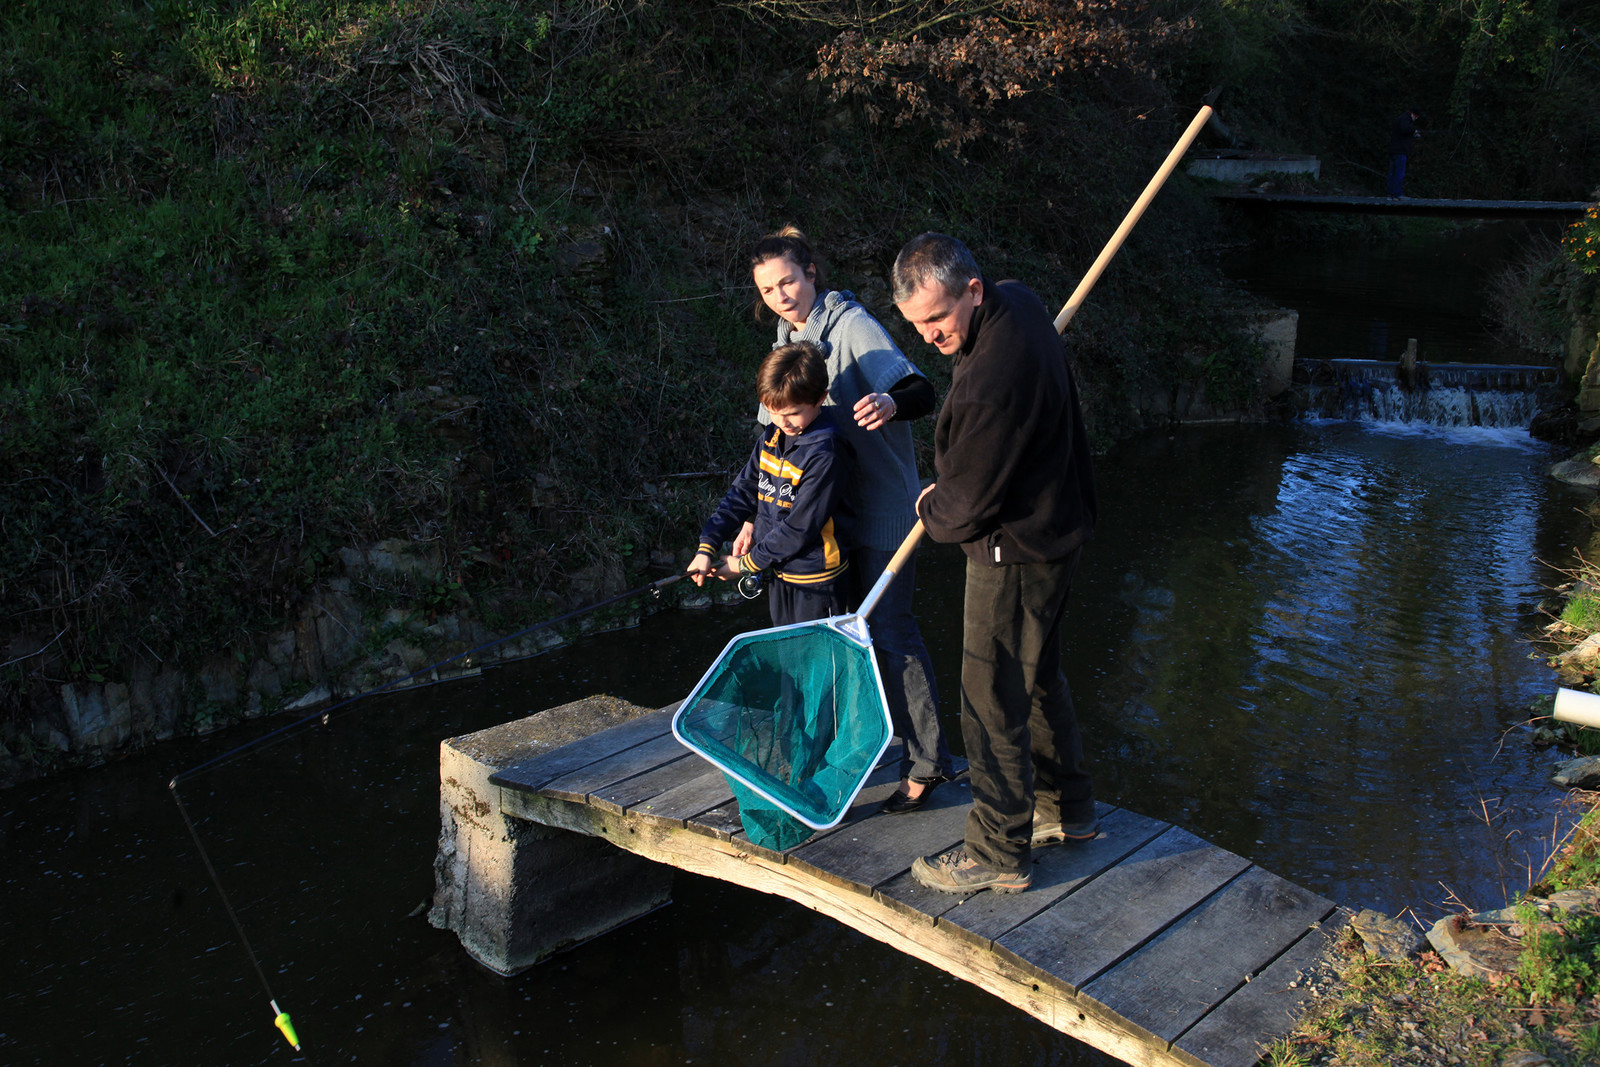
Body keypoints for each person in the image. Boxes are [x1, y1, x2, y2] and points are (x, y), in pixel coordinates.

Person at [891, 232, 1097, 895]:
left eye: (937, 319)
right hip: (1059, 526)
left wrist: (932, 505)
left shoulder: (987, 386)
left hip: (1014, 549)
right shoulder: (1020, 301)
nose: (928, 335)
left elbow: (965, 511)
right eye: (918, 324)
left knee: (987, 693)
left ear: (972, 290)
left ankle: (997, 849)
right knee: (1035, 676)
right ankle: (1067, 809)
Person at [739, 226, 955, 814]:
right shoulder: (788, 342)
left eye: (788, 279)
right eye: (767, 288)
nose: (780, 294)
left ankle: (928, 765)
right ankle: (863, 747)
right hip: (825, 530)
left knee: (891, 635)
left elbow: (920, 388)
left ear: (811, 273)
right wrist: (753, 520)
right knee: (839, 642)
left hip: (884, 516)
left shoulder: (851, 326)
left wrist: (889, 404)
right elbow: (770, 445)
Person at [687, 340, 853, 625]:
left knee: (820, 663)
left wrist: (744, 565)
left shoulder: (827, 451)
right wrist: (707, 545)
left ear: (821, 398)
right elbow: (743, 492)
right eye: (773, 411)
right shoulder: (771, 437)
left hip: (816, 580)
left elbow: (799, 528)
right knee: (790, 656)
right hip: (777, 571)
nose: (782, 421)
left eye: (793, 413)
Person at [1387, 108, 1420, 199]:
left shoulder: (1401, 118)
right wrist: (1414, 131)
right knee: (1399, 173)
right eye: (1416, 117)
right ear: (1414, 114)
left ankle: (1391, 194)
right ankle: (1397, 194)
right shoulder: (1405, 119)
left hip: (1393, 150)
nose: (1415, 119)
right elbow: (1405, 128)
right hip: (1400, 151)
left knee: (1392, 173)